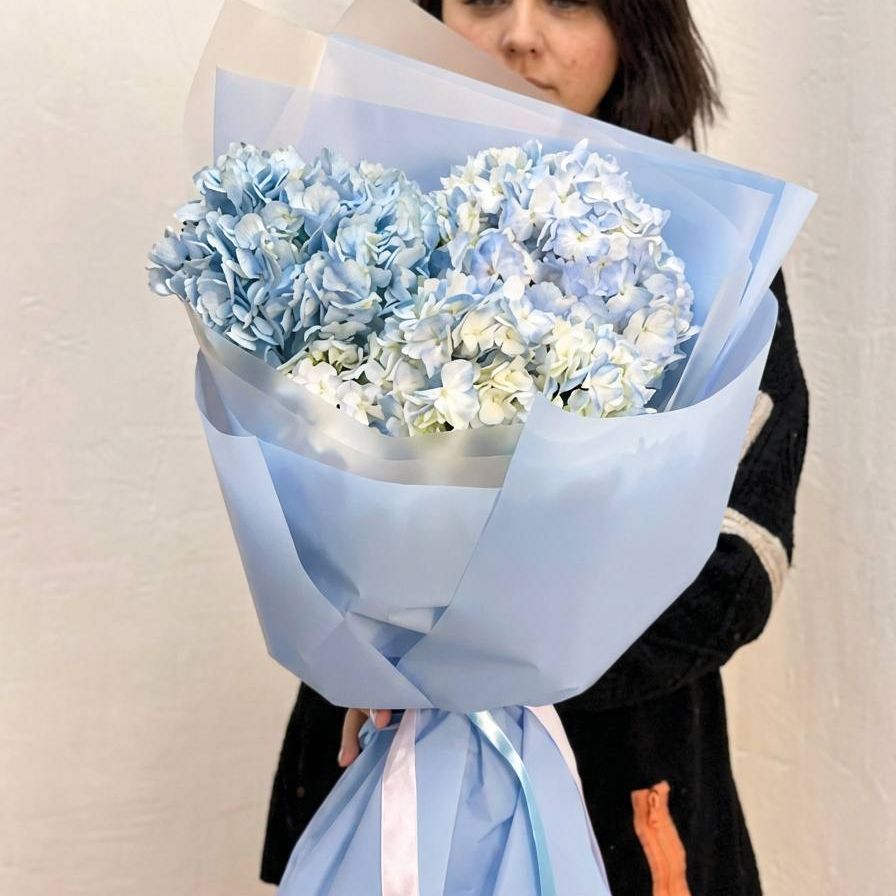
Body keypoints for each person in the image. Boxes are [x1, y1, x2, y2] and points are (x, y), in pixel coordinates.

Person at [259, 2, 810, 893]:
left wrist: (473, 671)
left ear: (636, 27)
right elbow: (293, 500)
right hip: (376, 768)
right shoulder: (353, 229)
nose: (520, 34)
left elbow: (744, 559)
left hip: (621, 792)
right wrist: (363, 650)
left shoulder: (713, 251)